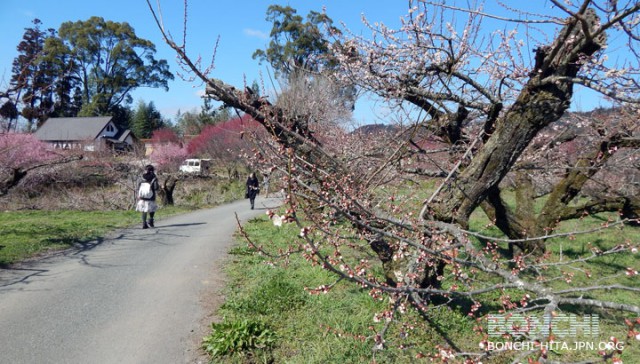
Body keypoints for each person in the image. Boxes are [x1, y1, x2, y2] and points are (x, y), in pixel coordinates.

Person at [136, 164, 160, 229]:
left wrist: (138, 194)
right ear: (153, 170)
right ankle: (151, 220)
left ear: (145, 170)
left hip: (142, 195)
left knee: (144, 209)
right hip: (151, 196)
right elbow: (156, 187)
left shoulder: (141, 177)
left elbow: (138, 186)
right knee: (152, 208)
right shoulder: (154, 177)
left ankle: (144, 223)